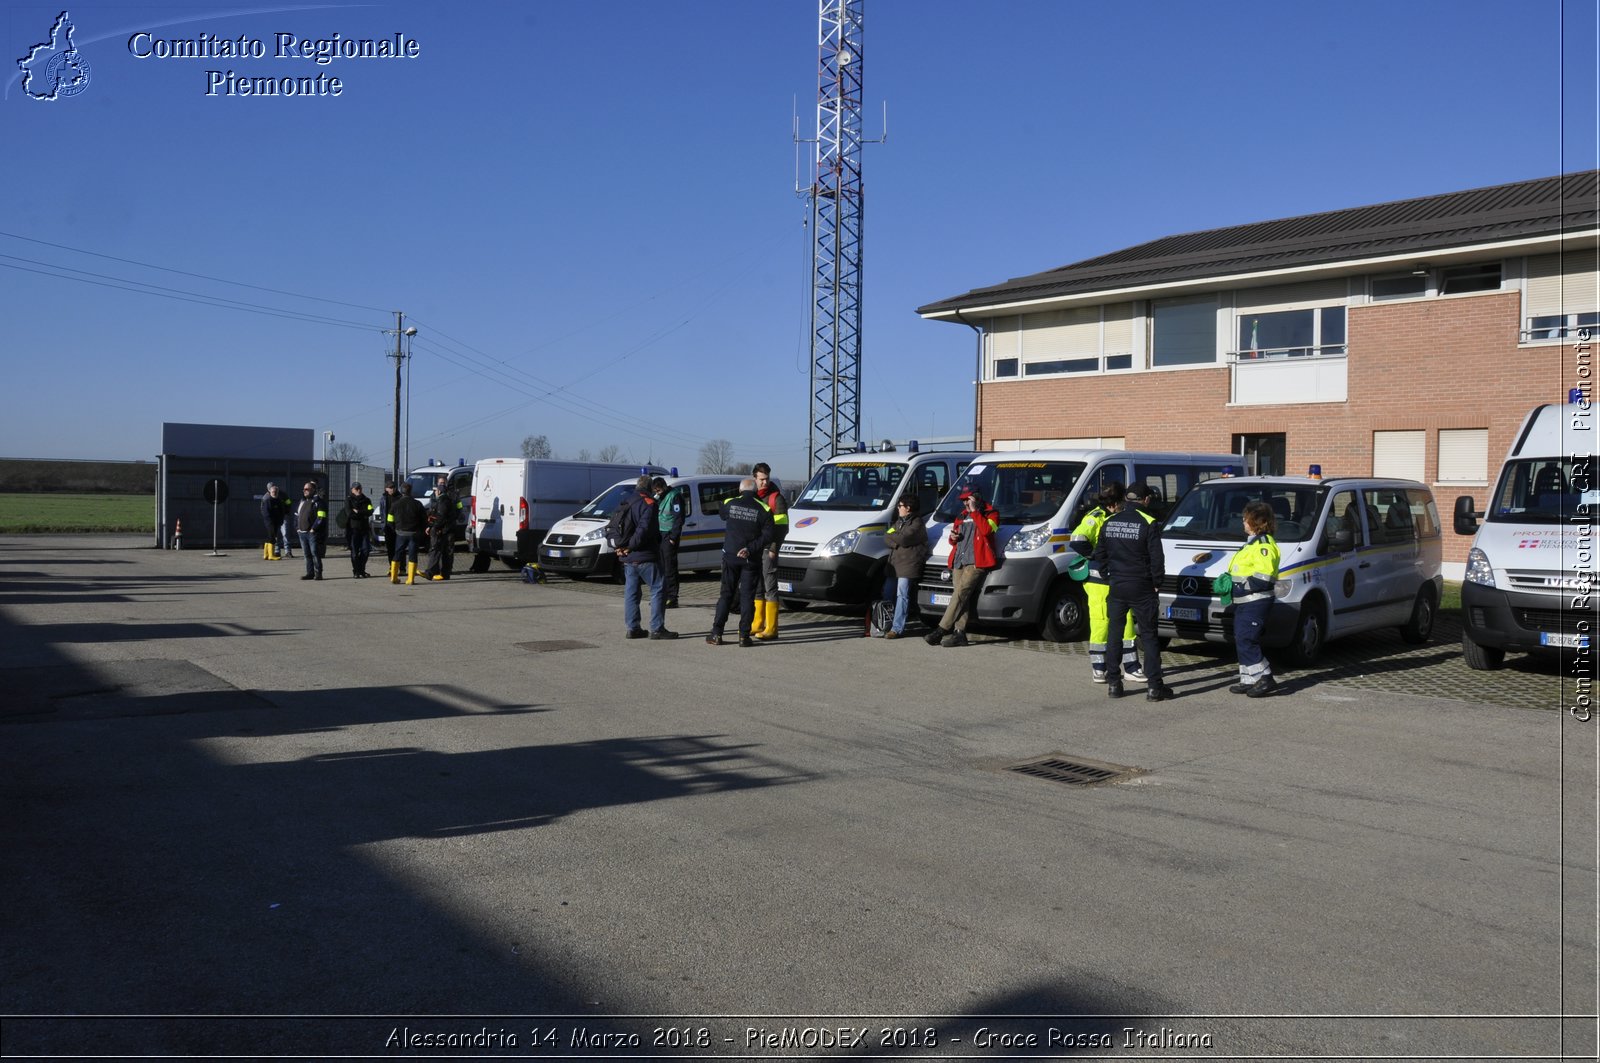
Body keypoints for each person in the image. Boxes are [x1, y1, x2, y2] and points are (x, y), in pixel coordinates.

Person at [1094, 482, 1174, 701]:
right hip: (1142, 585)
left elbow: (1099, 554)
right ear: (1146, 500)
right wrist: (1157, 581)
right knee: (1148, 636)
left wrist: (1106, 575)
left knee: (1114, 634)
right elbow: (1157, 558)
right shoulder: (1149, 522)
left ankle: (1114, 683)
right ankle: (1154, 687)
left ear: (1127, 500)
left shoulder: (1109, 521)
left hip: (1117, 584)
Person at [1068, 484, 1145, 684]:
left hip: (1116, 578)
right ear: (1116, 503)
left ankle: (1131, 667)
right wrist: (1096, 556)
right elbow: (1077, 539)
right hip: (1098, 580)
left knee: (1127, 621)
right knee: (1101, 623)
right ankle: (1099, 668)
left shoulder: (1114, 517)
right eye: (1122, 503)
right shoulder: (1094, 517)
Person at [925, 488, 999, 648]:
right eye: (964, 501)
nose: (965, 503)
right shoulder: (961, 515)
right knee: (961, 597)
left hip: (976, 562)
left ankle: (941, 629)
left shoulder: (991, 513)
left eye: (968, 500)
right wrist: (953, 537)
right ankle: (960, 634)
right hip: (959, 560)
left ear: (977, 500)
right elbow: (955, 538)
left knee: (960, 594)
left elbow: (988, 530)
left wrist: (974, 512)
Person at [706, 477, 775, 647]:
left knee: (726, 595)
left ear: (740, 490)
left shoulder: (730, 502)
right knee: (747, 597)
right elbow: (768, 535)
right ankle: (744, 636)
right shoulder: (764, 508)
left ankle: (716, 634)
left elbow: (722, 513)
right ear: (756, 491)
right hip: (750, 559)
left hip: (730, 557)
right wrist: (750, 548)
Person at [1227, 500, 1281, 698]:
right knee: (1241, 638)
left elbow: (1264, 577)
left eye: (1246, 519)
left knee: (1247, 639)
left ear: (1257, 522)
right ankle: (1248, 679)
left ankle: (1265, 677)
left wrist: (1240, 586)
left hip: (1255, 600)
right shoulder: (1253, 543)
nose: (1243, 522)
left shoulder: (1263, 546)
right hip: (1245, 601)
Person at [617, 475, 676, 640]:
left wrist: (621, 547)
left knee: (632, 592)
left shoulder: (626, 501)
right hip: (645, 555)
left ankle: (632, 628)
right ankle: (657, 628)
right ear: (650, 488)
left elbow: (615, 527)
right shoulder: (649, 504)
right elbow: (644, 530)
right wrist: (630, 546)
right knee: (658, 588)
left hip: (628, 557)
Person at [881, 493, 929, 639]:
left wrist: (896, 540)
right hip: (895, 564)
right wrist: (897, 542)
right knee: (887, 594)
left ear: (908, 508)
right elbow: (886, 535)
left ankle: (897, 628)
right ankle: (885, 623)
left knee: (902, 595)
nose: (898, 508)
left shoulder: (917, 523)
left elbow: (904, 538)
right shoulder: (899, 522)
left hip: (908, 566)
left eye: (900, 506)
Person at [751, 462, 789, 640]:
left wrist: (774, 548)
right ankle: (757, 623)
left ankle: (772, 628)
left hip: (768, 550)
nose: (764, 483)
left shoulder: (776, 499)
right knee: (758, 587)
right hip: (755, 549)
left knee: (770, 587)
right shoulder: (751, 497)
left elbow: (782, 527)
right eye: (761, 479)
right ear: (754, 479)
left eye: (766, 479)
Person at [653, 476, 687, 608]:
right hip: (659, 535)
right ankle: (662, 595)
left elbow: (679, 518)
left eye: (659, 490)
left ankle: (672, 597)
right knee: (660, 567)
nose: (657, 493)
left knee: (669, 567)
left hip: (669, 535)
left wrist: (673, 537)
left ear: (664, 487)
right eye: (655, 491)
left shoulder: (675, 496)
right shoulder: (657, 497)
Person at [389, 483, 428, 585]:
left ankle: (394, 577)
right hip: (414, 533)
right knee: (413, 554)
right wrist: (422, 530)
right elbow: (424, 519)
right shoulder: (417, 504)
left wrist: (395, 529)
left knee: (397, 553)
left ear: (401, 491)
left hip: (400, 533)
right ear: (410, 491)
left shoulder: (395, 504)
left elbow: (389, 519)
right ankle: (410, 579)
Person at [425, 474, 460, 581]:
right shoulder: (434, 495)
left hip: (449, 527)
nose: (442, 485)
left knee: (448, 551)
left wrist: (451, 519)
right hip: (438, 526)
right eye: (440, 483)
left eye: (443, 483)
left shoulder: (453, 495)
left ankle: (446, 572)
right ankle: (435, 571)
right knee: (436, 549)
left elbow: (459, 509)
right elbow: (432, 510)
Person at [295, 481, 327, 581]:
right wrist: (297, 527)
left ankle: (318, 573)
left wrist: (314, 529)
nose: (304, 491)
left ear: (313, 490)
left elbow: (321, 517)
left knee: (315, 553)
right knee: (306, 554)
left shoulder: (319, 502)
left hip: (312, 533)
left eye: (307, 489)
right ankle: (310, 573)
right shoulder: (302, 501)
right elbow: (296, 515)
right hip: (302, 533)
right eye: (304, 489)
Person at [343, 482, 375, 578]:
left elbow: (370, 511)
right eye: (356, 488)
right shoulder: (348, 500)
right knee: (354, 552)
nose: (358, 490)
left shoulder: (367, 500)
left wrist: (358, 512)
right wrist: (362, 514)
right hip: (353, 530)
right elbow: (350, 514)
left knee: (365, 550)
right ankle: (356, 571)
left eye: (360, 488)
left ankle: (361, 570)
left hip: (364, 529)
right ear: (352, 490)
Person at [259, 482, 286, 560]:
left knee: (269, 537)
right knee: (272, 537)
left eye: (276, 492)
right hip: (270, 522)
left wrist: (280, 520)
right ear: (269, 492)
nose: (275, 493)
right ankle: (271, 555)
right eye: (273, 492)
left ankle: (266, 555)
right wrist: (271, 522)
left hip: (276, 522)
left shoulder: (278, 500)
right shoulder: (267, 500)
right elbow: (266, 513)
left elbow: (282, 511)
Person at [376, 482, 400, 569]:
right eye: (390, 487)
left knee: (399, 548)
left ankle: (401, 567)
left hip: (398, 526)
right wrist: (383, 526)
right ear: (386, 488)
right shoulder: (383, 498)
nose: (392, 489)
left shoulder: (399, 497)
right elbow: (382, 513)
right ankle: (392, 567)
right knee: (390, 549)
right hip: (388, 527)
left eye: (393, 487)